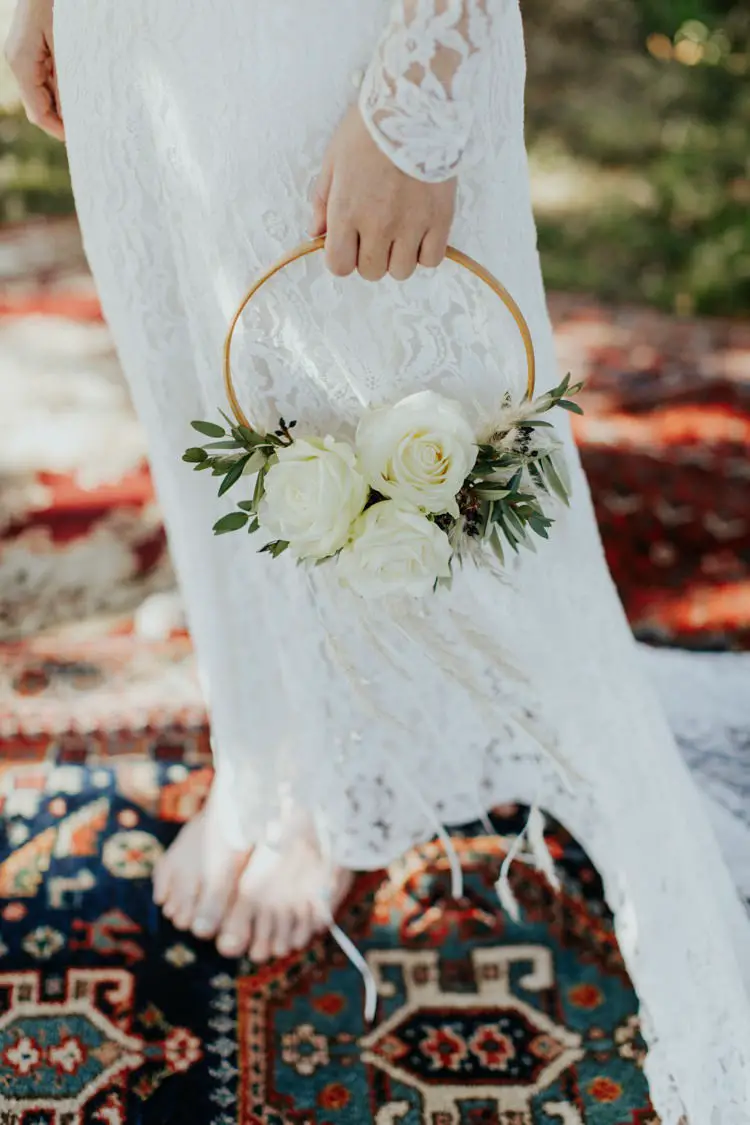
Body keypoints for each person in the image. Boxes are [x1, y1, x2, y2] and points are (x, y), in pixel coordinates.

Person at [6, 0, 750, 1119]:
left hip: (321, 44)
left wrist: (423, 86)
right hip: (134, 41)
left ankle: (349, 768)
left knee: (396, 428)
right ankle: (289, 757)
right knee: (211, 413)